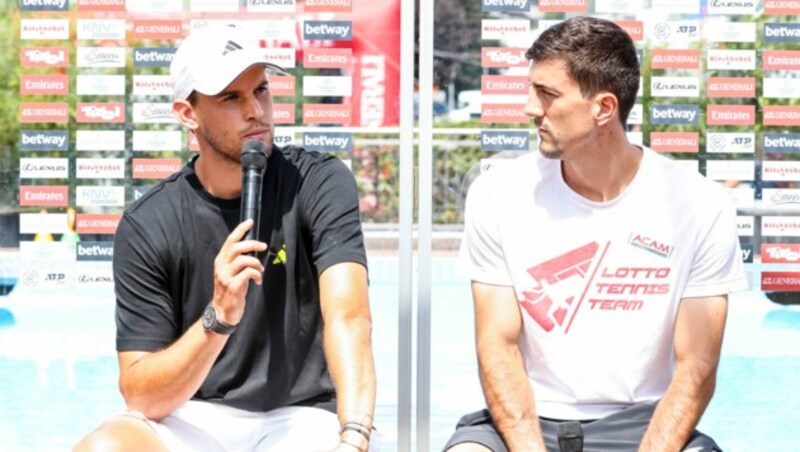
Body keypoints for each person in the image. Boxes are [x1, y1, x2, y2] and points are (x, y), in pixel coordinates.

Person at [444, 17, 746, 452]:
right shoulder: (497, 194)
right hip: (525, 420)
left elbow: (696, 367)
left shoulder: (698, 204)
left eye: (547, 94)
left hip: (644, 423)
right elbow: (497, 348)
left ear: (604, 108)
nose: (530, 108)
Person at [74, 25, 377, 452]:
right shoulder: (149, 222)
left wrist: (355, 436)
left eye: (262, 90)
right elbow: (141, 394)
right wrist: (218, 316)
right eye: (231, 98)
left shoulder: (320, 181)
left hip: (306, 417)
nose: (256, 110)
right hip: (194, 416)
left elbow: (350, 317)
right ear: (187, 114)